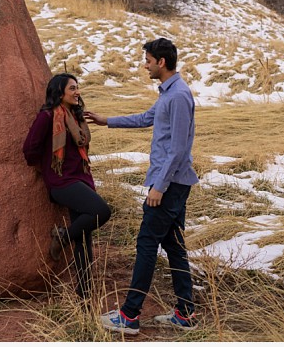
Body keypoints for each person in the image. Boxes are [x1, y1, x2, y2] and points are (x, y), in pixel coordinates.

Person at [85, 37, 199, 335]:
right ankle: (185, 314)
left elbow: (177, 150)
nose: (144, 65)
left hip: (170, 184)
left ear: (161, 62)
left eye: (147, 60)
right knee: (173, 246)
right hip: (172, 182)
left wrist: (159, 187)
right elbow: (147, 118)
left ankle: (130, 315)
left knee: (147, 244)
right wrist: (105, 120)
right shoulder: (168, 93)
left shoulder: (178, 97)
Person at [23, 73, 111, 299]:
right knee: (102, 211)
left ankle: (84, 295)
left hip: (82, 180)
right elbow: (29, 149)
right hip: (62, 182)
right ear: (59, 92)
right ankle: (62, 236)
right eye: (72, 88)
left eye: (77, 87)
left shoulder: (76, 116)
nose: (77, 92)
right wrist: (46, 168)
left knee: (84, 239)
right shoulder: (47, 117)